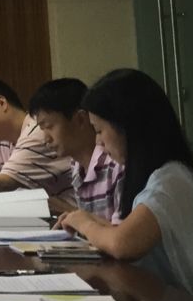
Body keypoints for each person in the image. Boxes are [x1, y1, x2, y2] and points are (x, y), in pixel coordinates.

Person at [56, 69, 193, 299]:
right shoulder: (161, 174)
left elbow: (122, 244)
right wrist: (84, 219)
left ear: (128, 127)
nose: (98, 142)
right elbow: (125, 232)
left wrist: (84, 223)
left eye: (99, 131)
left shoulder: (171, 181)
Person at [30, 78, 124, 220]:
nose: (46, 139)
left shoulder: (115, 164)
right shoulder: (76, 165)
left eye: (49, 126)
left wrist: (75, 217)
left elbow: (121, 231)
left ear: (80, 119)